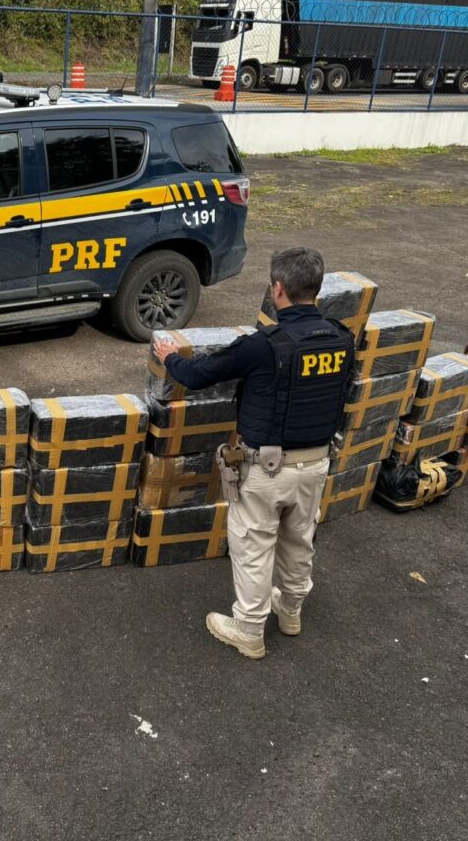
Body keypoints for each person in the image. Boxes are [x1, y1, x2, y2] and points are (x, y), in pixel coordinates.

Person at [152, 247, 354, 659]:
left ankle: (248, 629)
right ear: (315, 289)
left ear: (278, 288)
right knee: (299, 540)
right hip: (316, 463)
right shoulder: (342, 338)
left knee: (253, 546)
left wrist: (169, 355)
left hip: (267, 469)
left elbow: (199, 374)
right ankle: (291, 611)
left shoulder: (264, 346)